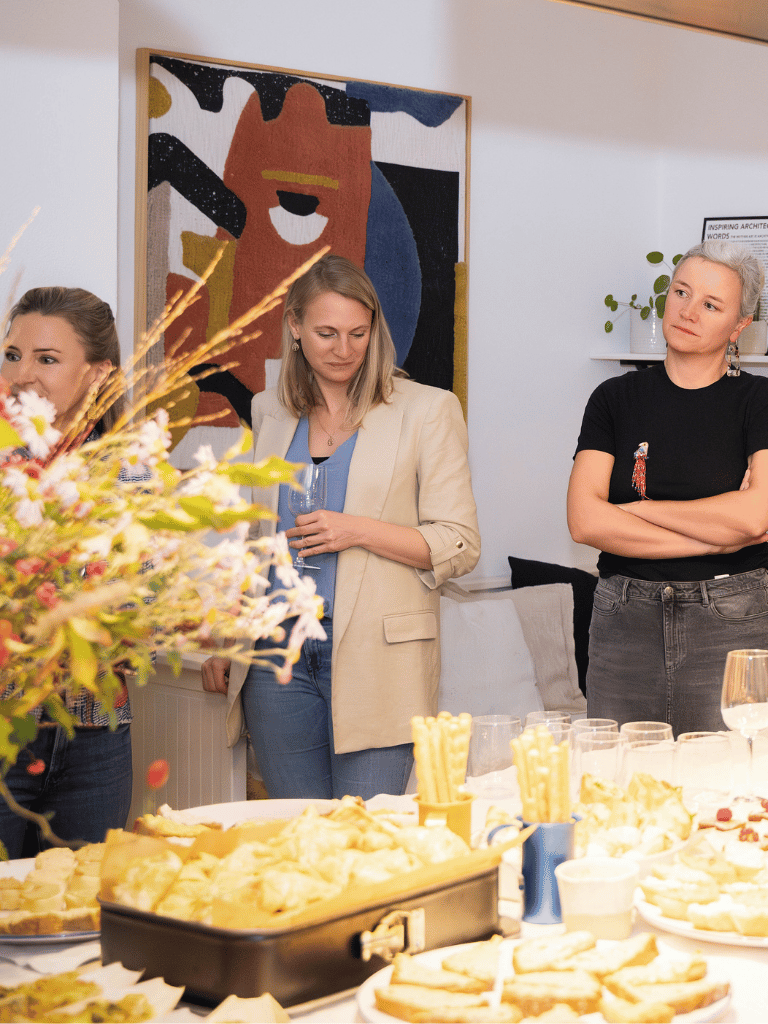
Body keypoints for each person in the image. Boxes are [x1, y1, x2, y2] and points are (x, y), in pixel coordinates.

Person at [202, 254, 480, 799]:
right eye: (326, 332)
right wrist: (229, 639)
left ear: (374, 331)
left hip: (379, 659)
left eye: (358, 332)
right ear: (295, 328)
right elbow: (256, 539)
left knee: (367, 834)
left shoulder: (427, 410)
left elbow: (460, 543)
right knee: (298, 835)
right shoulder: (269, 411)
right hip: (275, 657)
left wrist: (356, 531)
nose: (344, 349)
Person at [568, 240, 768, 736]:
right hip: (622, 621)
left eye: (711, 304)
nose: (688, 310)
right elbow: (584, 521)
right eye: (681, 291)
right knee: (619, 788)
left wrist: (636, 509)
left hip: (733, 619)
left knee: (727, 788)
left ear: (739, 326)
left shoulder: (759, 400)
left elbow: (754, 518)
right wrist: (721, 532)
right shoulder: (614, 398)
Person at [0, 286, 132, 857]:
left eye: (47, 359)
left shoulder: (131, 471)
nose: (22, 373)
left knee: (78, 912)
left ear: (99, 375)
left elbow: (143, 611)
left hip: (96, 740)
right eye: (12, 355)